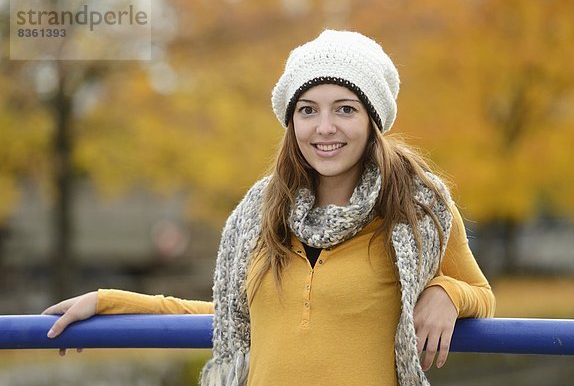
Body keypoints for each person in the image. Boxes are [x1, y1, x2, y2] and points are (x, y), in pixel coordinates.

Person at [43, 29, 495, 386]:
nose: (324, 128)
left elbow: (481, 294)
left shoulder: (418, 209)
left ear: (372, 120)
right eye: (307, 110)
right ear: (291, 120)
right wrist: (108, 303)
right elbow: (233, 320)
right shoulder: (259, 217)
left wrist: (447, 294)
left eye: (345, 109)